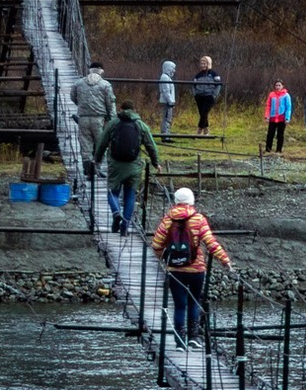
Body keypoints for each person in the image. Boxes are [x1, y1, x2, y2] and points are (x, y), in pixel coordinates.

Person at [148, 185, 230, 343]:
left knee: (179, 305)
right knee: (194, 301)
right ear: (191, 201)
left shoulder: (167, 220)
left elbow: (156, 244)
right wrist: (225, 260)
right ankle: (193, 337)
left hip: (175, 270)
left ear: (176, 201)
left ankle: (179, 341)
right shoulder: (199, 219)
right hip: (196, 268)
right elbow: (211, 243)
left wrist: (163, 258)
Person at [94, 103, 159, 234]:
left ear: (121, 109)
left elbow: (102, 143)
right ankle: (125, 226)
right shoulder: (141, 125)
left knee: (112, 192)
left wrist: (97, 159)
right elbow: (151, 146)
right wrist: (155, 162)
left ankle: (116, 213)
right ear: (134, 110)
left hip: (115, 166)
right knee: (130, 195)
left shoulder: (113, 123)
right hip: (134, 167)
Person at [72, 60, 117, 154]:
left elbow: (73, 97)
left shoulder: (78, 83)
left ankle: (87, 166)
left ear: (90, 70)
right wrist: (112, 119)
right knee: (101, 145)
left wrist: (81, 105)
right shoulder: (106, 85)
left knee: (85, 146)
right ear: (101, 71)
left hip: (83, 118)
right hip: (99, 119)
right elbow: (110, 103)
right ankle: (98, 167)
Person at [191, 54, 223, 134]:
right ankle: (206, 129)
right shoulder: (198, 75)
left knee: (204, 112)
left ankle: (199, 129)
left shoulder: (214, 74)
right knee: (202, 113)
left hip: (209, 96)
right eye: (201, 63)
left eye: (204, 63)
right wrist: (195, 94)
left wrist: (214, 95)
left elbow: (218, 85)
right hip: (199, 96)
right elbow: (193, 85)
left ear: (208, 63)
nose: (202, 65)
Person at [262, 79, 293, 156]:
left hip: (281, 118)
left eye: (279, 85)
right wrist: (267, 116)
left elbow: (288, 107)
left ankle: (279, 150)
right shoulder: (271, 94)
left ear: (282, 86)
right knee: (270, 134)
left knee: (280, 135)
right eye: (276, 85)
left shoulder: (286, 95)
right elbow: (268, 106)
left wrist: (287, 118)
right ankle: (268, 149)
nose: (278, 87)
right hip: (272, 118)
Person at [156, 59, 179, 136]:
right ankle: (165, 134)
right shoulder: (165, 78)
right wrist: (170, 101)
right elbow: (166, 91)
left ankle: (166, 132)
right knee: (166, 118)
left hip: (167, 101)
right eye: (173, 68)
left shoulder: (166, 77)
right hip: (167, 102)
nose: (174, 70)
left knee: (167, 118)